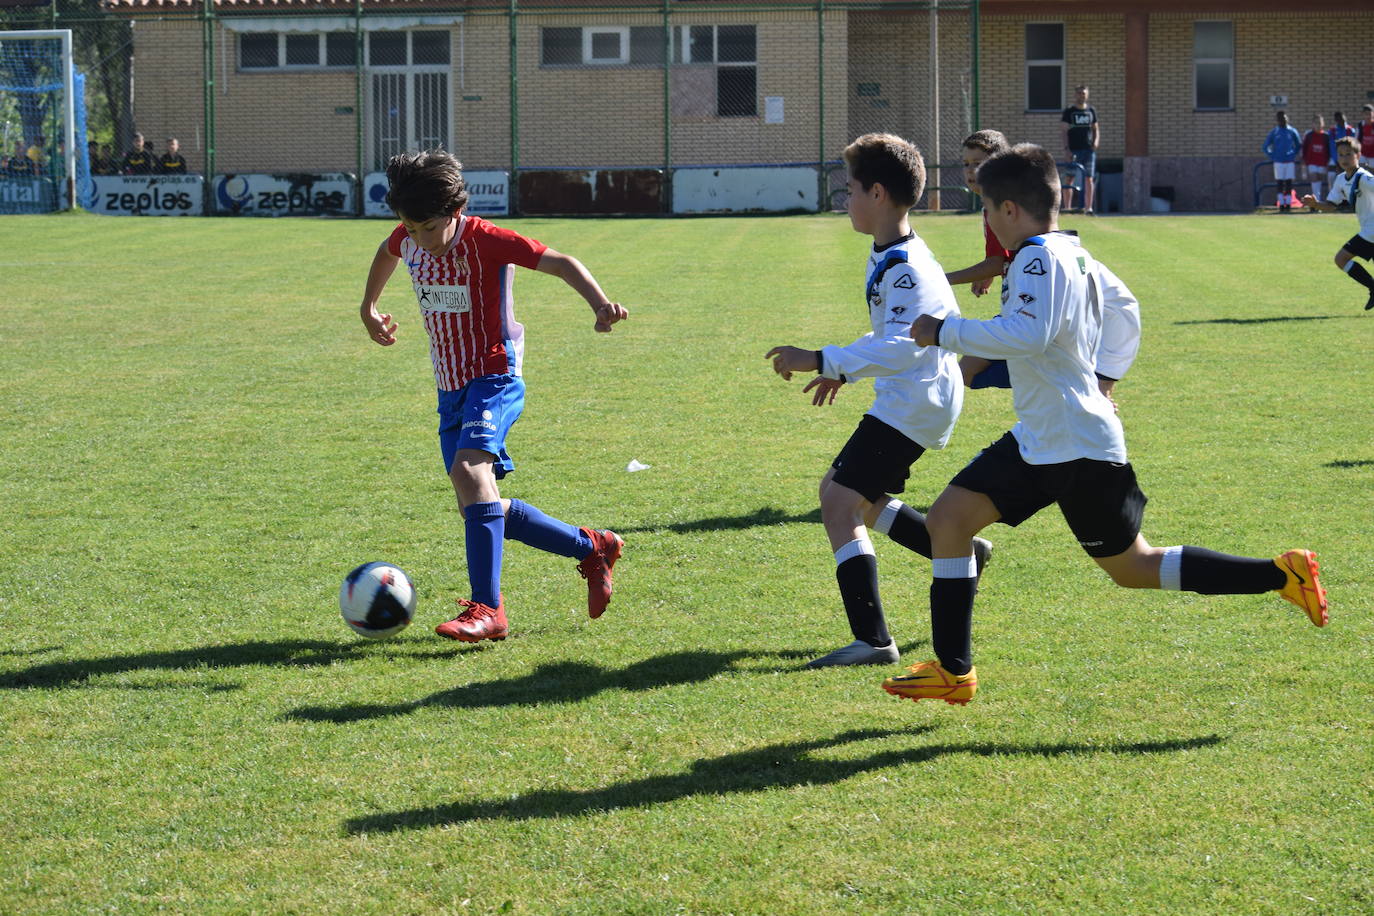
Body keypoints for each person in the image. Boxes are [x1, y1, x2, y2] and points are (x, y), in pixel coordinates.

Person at [885, 143, 1328, 706]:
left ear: (1010, 211)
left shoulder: (1037, 257)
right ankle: (954, 671)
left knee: (1133, 567)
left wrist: (945, 329)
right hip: (1043, 437)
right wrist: (1101, 380)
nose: (989, 223)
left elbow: (1030, 335)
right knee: (949, 521)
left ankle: (1281, 574)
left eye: (988, 209)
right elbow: (1121, 310)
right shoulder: (1070, 252)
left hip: (1074, 445)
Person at [357, 149, 629, 643]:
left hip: (495, 375)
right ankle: (592, 547)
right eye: (409, 228)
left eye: (426, 228)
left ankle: (489, 610)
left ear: (453, 212)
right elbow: (386, 251)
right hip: (450, 388)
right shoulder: (409, 236)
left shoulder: (487, 240)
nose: (417, 238)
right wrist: (369, 305)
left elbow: (563, 262)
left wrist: (600, 305)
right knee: (479, 505)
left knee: (469, 472)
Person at [765, 133, 987, 669]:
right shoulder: (889, 251)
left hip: (916, 398)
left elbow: (905, 344)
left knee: (839, 502)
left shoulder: (905, 265)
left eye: (851, 190)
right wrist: (845, 368)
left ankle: (873, 640)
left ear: (879, 193)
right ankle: (958, 552)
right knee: (857, 499)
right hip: (913, 393)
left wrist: (822, 359)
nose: (846, 200)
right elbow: (891, 334)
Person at [1301, 137, 1374, 311]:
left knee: (1341, 259)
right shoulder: (1341, 179)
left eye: (1348, 154)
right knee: (1341, 260)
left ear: (1358, 155)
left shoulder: (1364, 178)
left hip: (1371, 231)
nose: (1344, 158)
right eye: (1340, 155)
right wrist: (1315, 204)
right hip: (1367, 230)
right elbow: (1331, 206)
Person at [1060, 85, 1098, 214]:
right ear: (1075, 95)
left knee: (1089, 178)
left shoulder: (1091, 110)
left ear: (1087, 95)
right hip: (1073, 150)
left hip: (1088, 150)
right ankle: (1067, 208)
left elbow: (1095, 128)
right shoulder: (1069, 111)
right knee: (1069, 177)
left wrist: (1095, 142)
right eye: (1079, 93)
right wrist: (1066, 149)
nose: (1082, 95)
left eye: (1084, 93)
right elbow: (1064, 131)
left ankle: (1088, 208)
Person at [1263, 111, 1303, 211]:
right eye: (1280, 119)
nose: (1283, 121)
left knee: (1289, 182)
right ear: (1277, 121)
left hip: (1289, 161)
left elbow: (1298, 144)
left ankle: (1288, 204)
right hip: (1278, 162)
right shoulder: (1274, 132)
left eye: (1284, 118)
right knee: (1280, 183)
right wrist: (1273, 155)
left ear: (1287, 119)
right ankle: (1281, 204)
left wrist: (1293, 154)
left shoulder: (1292, 131)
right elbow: (1265, 146)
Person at [1301, 114, 1331, 203]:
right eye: (1316, 123)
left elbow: (1329, 149)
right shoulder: (1309, 135)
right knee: (1314, 178)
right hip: (1311, 161)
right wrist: (1304, 161)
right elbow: (1304, 149)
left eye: (1320, 123)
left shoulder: (1326, 136)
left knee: (1319, 180)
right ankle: (1315, 201)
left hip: (1322, 162)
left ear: (1323, 124)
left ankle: (1318, 200)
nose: (1318, 125)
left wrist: (1328, 161)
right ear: (1312, 124)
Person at [1328, 112, 1356, 192]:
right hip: (1335, 157)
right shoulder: (1332, 131)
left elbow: (1352, 146)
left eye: (1343, 120)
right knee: (1331, 174)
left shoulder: (1350, 130)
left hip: (1348, 158)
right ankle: (1332, 194)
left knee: (1348, 176)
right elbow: (1332, 146)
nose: (1341, 122)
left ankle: (1347, 195)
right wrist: (1337, 160)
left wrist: (1345, 159)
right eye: (1339, 120)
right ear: (1336, 121)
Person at [1356, 104, 1374, 169]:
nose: (1368, 116)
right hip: (1363, 155)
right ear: (1363, 115)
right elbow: (1356, 141)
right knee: (1362, 173)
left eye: (1370, 114)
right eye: (1366, 114)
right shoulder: (1360, 126)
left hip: (1373, 155)